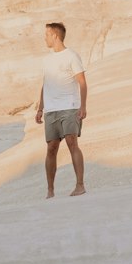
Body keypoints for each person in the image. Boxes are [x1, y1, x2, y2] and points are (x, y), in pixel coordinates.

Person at [34, 21, 87, 197]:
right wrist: (41, 108)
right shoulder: (46, 60)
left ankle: (80, 185)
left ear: (55, 36)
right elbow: (45, 84)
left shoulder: (71, 56)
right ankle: (50, 190)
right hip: (51, 109)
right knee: (51, 148)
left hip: (69, 107)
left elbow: (82, 82)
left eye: (47, 34)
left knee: (72, 143)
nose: (45, 38)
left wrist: (83, 106)